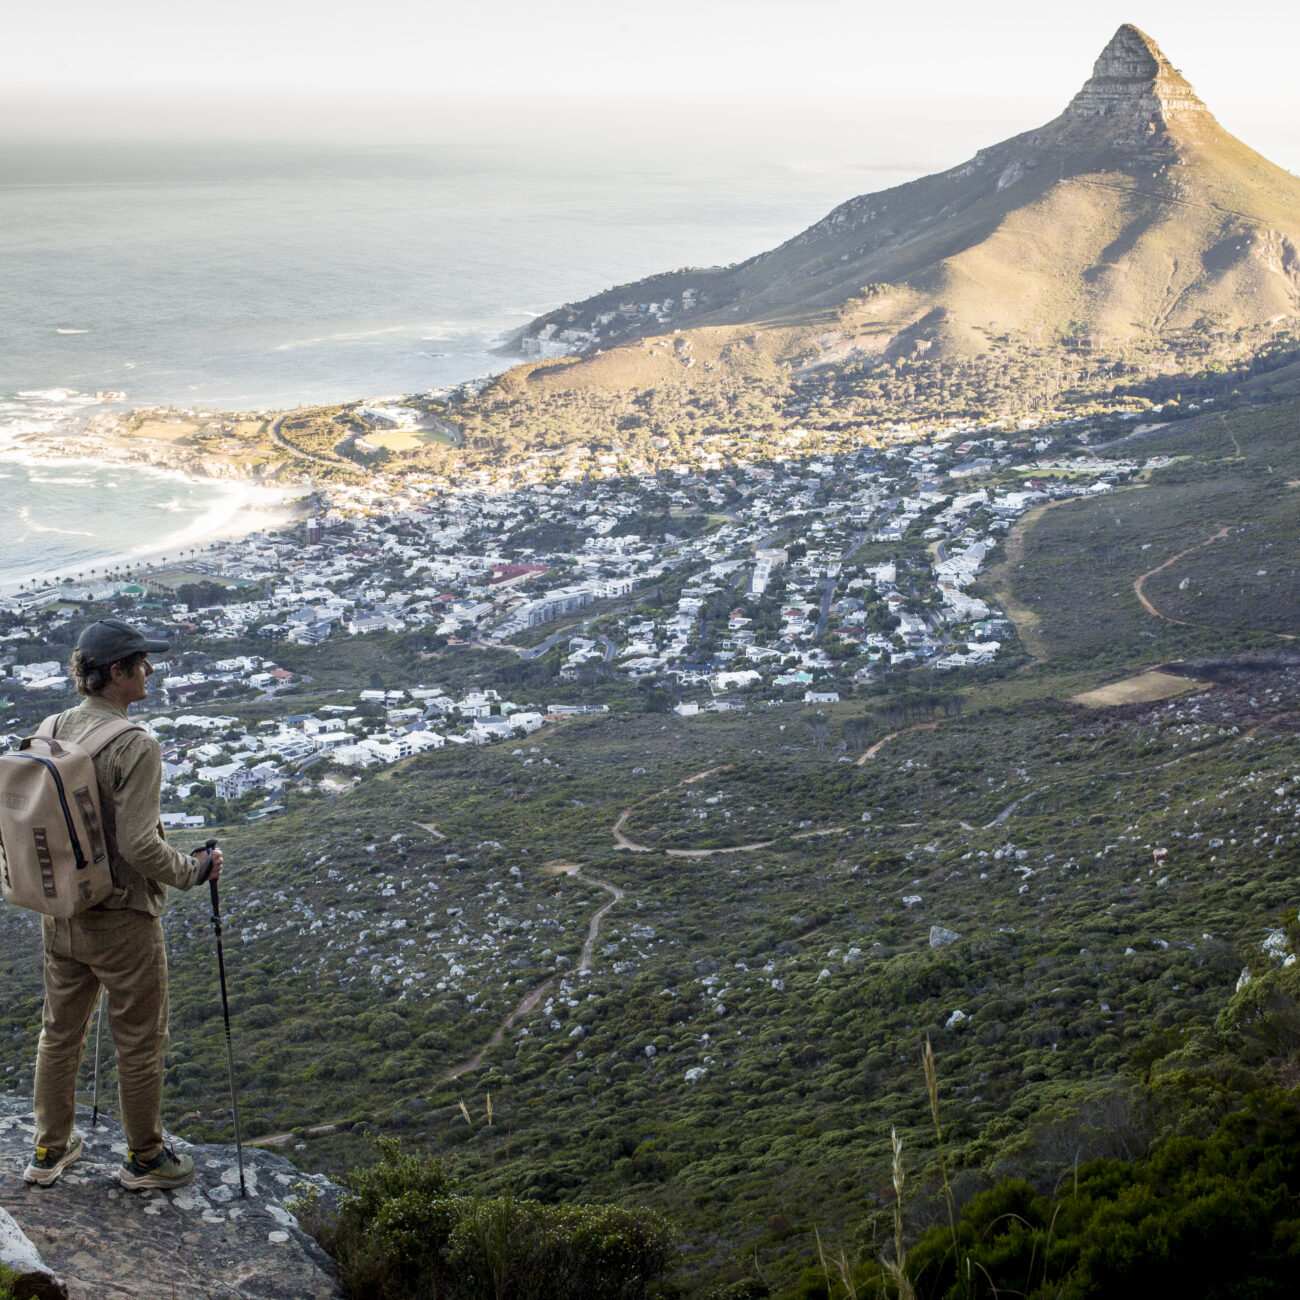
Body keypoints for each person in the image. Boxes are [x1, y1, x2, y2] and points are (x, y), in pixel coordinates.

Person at [23, 618, 223, 1190]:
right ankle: (144, 1158)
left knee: (58, 1031)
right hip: (122, 917)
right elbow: (138, 845)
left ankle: (48, 1149)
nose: (150, 671)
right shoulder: (135, 745)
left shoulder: (52, 726)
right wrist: (193, 870)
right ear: (117, 673)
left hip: (61, 909)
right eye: (141, 662)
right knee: (138, 1040)